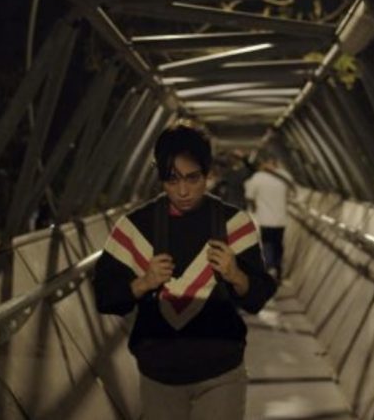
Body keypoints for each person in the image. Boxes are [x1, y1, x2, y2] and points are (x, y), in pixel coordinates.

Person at [93, 125, 277, 420]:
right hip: (158, 375)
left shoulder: (234, 224)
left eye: (193, 178)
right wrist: (143, 283)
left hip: (221, 372)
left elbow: (257, 298)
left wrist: (236, 275)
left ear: (208, 174)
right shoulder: (134, 228)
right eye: (172, 179)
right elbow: (105, 297)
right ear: (160, 178)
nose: (183, 191)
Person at [243, 153, 294, 280]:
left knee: (267, 243)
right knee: (278, 244)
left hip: (264, 219)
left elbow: (249, 196)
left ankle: (270, 268)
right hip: (281, 219)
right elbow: (291, 195)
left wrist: (253, 207)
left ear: (263, 163)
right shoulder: (286, 176)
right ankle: (277, 268)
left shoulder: (257, 178)